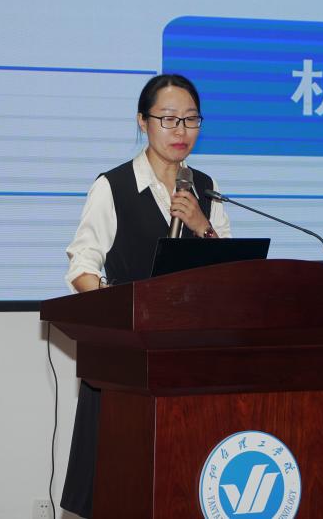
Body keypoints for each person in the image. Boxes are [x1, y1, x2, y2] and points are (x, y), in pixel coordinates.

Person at [59, 73, 231, 517]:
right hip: (127, 363)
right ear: (143, 122)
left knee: (182, 486)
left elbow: (230, 273)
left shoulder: (205, 187)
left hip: (188, 360)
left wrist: (202, 227)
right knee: (121, 486)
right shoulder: (113, 186)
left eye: (191, 119)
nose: (181, 130)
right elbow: (81, 267)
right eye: (169, 119)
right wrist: (120, 316)